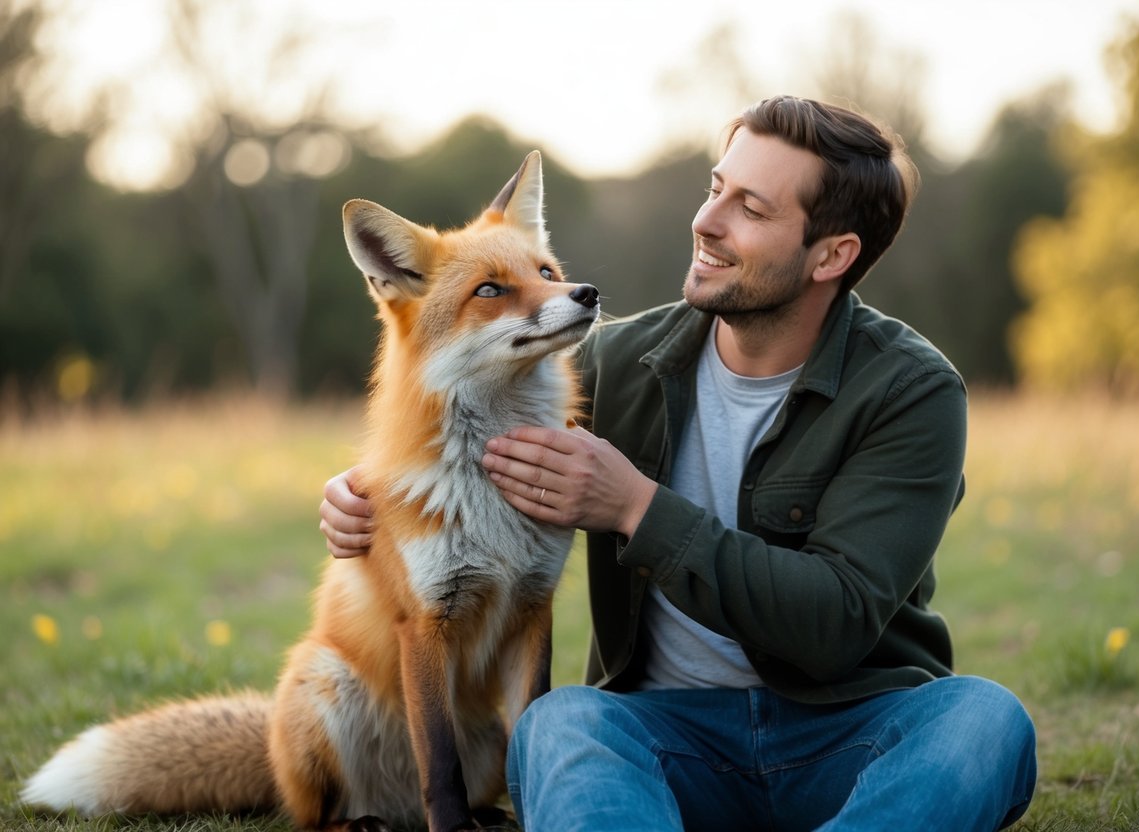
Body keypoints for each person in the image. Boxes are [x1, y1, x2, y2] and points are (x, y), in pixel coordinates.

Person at [319, 95, 1037, 831]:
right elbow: (454, 408)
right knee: (560, 723)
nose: (706, 222)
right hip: (661, 737)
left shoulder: (911, 392)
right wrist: (358, 494)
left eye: (749, 209)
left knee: (986, 721)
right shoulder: (607, 363)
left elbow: (834, 621)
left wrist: (636, 508)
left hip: (848, 732)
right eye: (713, 189)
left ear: (831, 255)